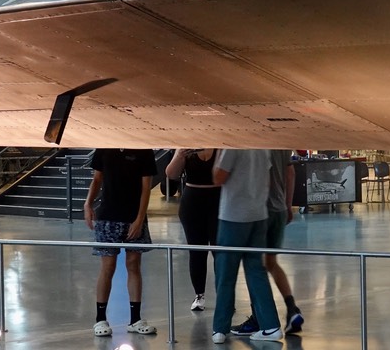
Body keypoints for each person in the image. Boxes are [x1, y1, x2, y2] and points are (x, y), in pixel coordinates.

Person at [83, 148, 158, 338]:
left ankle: (135, 319)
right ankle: (100, 319)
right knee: (108, 266)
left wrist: (139, 220)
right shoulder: (104, 149)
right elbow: (97, 179)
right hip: (108, 216)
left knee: (133, 265)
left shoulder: (144, 151)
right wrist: (88, 203)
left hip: (133, 217)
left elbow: (145, 187)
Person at [210, 149, 281, 343]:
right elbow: (267, 178)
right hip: (258, 215)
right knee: (256, 272)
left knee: (225, 273)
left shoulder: (231, 146)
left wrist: (217, 156)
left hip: (233, 216)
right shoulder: (261, 145)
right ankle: (270, 325)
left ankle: (220, 328)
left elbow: (218, 177)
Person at [234, 149, 304, 335]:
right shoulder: (282, 144)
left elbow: (264, 178)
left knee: (254, 266)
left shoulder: (258, 145)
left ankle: (260, 318)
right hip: (280, 209)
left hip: (262, 211)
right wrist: (288, 205)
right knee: (271, 263)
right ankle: (291, 308)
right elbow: (290, 173)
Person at [165, 147, 220, 312]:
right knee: (196, 251)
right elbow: (171, 174)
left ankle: (224, 295)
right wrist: (180, 156)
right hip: (192, 203)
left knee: (220, 252)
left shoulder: (221, 146)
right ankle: (199, 295)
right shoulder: (186, 146)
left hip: (217, 201)